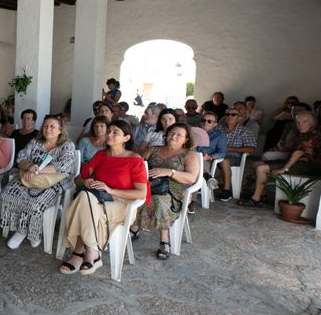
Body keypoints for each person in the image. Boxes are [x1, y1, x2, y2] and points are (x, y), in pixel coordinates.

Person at [59, 120, 149, 275]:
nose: (109, 134)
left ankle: (78, 252)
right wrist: (86, 181)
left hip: (122, 204)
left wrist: (111, 190)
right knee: (85, 198)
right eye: (109, 131)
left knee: (83, 201)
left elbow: (141, 193)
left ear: (126, 138)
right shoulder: (100, 155)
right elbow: (78, 179)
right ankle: (92, 253)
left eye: (116, 132)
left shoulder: (135, 160)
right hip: (96, 199)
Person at [0, 115, 75, 249]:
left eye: (52, 126)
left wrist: (36, 170)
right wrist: (28, 167)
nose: (47, 129)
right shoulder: (35, 142)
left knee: (34, 204)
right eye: (45, 126)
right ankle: (20, 229)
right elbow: (21, 157)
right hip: (28, 178)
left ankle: (30, 233)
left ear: (60, 130)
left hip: (52, 183)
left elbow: (64, 165)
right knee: (7, 194)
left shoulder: (67, 145)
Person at [134, 123, 200, 260]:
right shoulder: (154, 150)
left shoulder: (189, 155)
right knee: (133, 195)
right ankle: (134, 226)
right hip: (150, 185)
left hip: (174, 190)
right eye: (171, 133)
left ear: (186, 139)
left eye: (178, 135)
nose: (174, 136)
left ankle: (164, 239)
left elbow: (191, 178)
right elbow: (136, 163)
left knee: (157, 200)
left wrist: (170, 172)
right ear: (166, 135)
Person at [240, 112, 321, 207]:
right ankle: (262, 194)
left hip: (309, 166)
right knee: (256, 164)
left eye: (304, 122)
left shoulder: (313, 134)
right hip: (297, 162)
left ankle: (256, 199)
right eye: (298, 122)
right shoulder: (303, 133)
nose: (300, 125)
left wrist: (284, 169)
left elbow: (298, 153)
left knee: (261, 168)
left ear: (312, 123)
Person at [215, 106, 257, 201]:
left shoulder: (244, 131)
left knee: (224, 161)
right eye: (227, 114)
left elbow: (251, 149)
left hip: (234, 157)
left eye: (233, 114)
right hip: (217, 155)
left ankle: (226, 190)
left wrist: (230, 149)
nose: (229, 116)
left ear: (239, 118)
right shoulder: (219, 128)